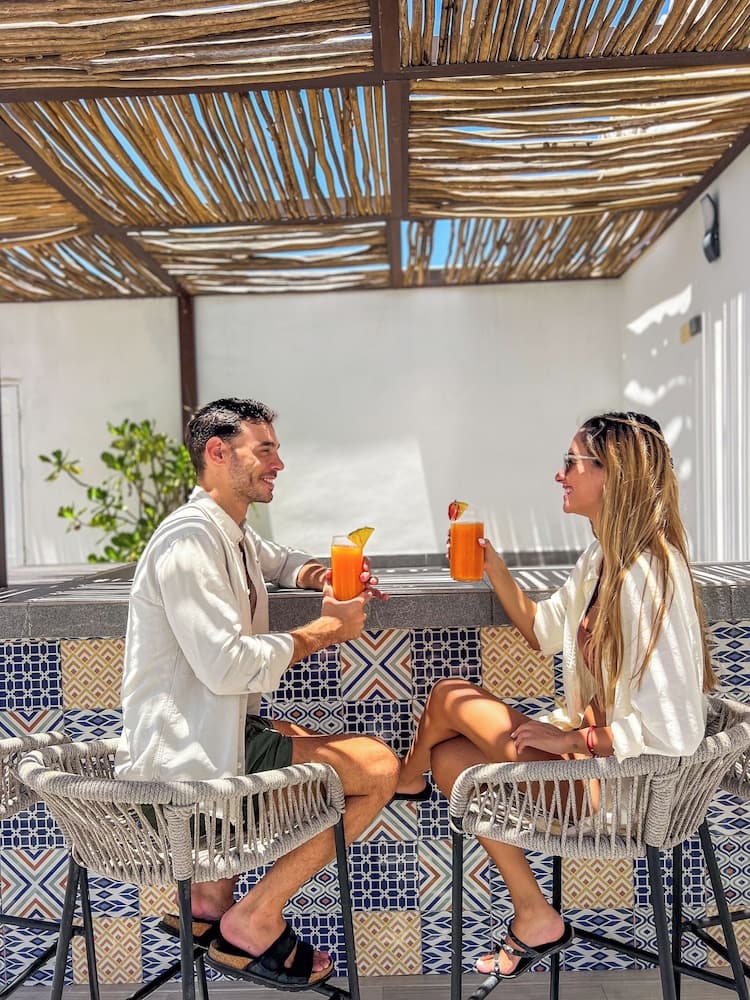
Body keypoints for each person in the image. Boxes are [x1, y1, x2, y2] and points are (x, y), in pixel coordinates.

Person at [394, 411, 716, 979]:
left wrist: (571, 740)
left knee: (447, 696)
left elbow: (677, 727)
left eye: (572, 463)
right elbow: (544, 631)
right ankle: (535, 915)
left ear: (611, 474)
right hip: (588, 771)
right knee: (449, 759)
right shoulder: (602, 559)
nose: (559, 475)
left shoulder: (647, 574)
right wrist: (492, 566)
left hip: (620, 786)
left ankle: (399, 782)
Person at [115, 397, 399, 991]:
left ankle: (209, 905)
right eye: (264, 450)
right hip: (185, 774)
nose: (279, 463)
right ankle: (255, 918)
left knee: (306, 742)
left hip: (207, 744)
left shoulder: (226, 531)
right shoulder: (189, 542)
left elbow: (278, 560)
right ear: (218, 452)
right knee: (377, 767)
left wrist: (321, 574)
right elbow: (227, 667)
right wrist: (327, 631)